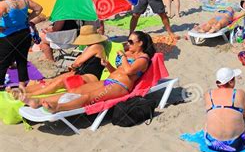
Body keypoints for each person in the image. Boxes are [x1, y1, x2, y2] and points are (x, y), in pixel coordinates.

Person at [24, 31, 155, 112]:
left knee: (88, 97)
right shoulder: (128, 54)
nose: (128, 43)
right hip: (108, 80)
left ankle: (58, 108)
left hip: (120, 86)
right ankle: (38, 101)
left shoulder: (143, 58)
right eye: (128, 40)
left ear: (141, 43)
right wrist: (108, 65)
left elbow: (129, 70)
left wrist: (123, 57)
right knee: (74, 91)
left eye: (131, 41)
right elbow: (116, 71)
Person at [25, 26, 107, 96]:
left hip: (90, 78)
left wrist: (73, 66)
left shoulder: (96, 46)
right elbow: (78, 62)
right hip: (80, 72)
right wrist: (74, 66)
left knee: (60, 82)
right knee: (52, 81)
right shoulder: (91, 47)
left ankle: (31, 95)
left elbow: (77, 62)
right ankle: (24, 90)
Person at [0, 0, 43, 90]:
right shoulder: (25, 0)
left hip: (8, 36)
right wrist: (27, 19)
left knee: (2, 62)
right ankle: (22, 85)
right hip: (24, 33)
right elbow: (39, 8)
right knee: (22, 60)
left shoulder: (4, 4)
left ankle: (0, 85)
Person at [204, 68, 245, 152]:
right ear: (231, 82)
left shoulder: (208, 94)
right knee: (243, 122)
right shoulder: (239, 93)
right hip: (237, 145)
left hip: (211, 143)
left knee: (207, 121)